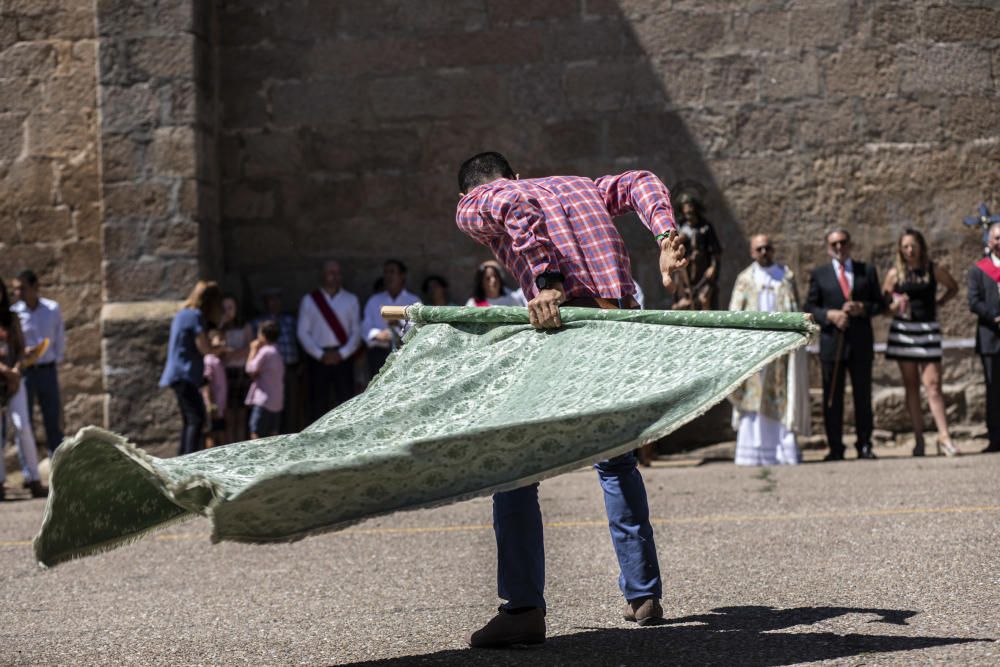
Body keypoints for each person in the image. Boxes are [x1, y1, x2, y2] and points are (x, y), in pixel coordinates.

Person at [454, 151, 686, 648]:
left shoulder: (477, 201)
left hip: (569, 328)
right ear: (516, 169)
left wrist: (546, 279)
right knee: (616, 462)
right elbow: (641, 180)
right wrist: (666, 236)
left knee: (514, 471)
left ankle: (522, 608)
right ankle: (644, 594)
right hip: (615, 324)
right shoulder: (580, 183)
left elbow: (512, 204)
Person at [728, 235, 810, 466]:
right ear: (752, 252)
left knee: (782, 397)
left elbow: (796, 307)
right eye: (759, 249)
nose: (764, 252)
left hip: (781, 348)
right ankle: (752, 453)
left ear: (773, 250)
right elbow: (734, 312)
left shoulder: (785, 276)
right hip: (754, 348)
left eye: (767, 248)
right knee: (753, 398)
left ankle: (782, 451)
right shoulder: (745, 279)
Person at [804, 228, 884, 461]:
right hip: (832, 344)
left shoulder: (866, 271)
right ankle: (835, 447)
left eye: (843, 242)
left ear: (850, 244)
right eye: (834, 243)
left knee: (863, 397)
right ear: (829, 247)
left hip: (860, 343)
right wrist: (830, 315)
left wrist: (862, 308)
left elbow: (878, 304)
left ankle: (865, 444)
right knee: (832, 398)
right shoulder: (820, 274)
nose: (839, 247)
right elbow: (810, 307)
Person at [882, 229, 960, 456]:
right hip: (904, 332)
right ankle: (919, 439)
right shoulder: (894, 274)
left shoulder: (933, 269)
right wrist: (894, 307)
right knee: (911, 386)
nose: (910, 250)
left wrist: (940, 303)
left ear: (921, 247)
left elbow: (953, 287)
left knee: (933, 384)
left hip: (927, 331)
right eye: (905, 246)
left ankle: (944, 436)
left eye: (913, 245)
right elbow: (884, 307)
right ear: (900, 249)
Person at [159, 281, 224, 456]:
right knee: (197, 419)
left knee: (191, 420)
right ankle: (188, 460)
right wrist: (219, 348)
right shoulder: (194, 316)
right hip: (184, 375)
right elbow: (204, 348)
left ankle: (182, 459)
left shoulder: (183, 314)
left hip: (180, 374)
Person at [297, 260, 362, 423]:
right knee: (317, 402)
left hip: (344, 358)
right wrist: (320, 354)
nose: (334, 276)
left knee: (346, 400)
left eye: (337, 272)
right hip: (318, 358)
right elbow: (302, 332)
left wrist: (342, 353)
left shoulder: (351, 299)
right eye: (330, 272)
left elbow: (357, 331)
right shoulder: (309, 300)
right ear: (322, 275)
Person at [0, 277, 46, 500]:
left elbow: (18, 347)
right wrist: (6, 372)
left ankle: (34, 479)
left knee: (23, 427)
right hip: (3, 378)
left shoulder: (12, 318)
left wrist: (16, 370)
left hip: (16, 380)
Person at [11, 269, 66, 453]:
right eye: (16, 289)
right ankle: (30, 472)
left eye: (22, 288)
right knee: (25, 424)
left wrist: (55, 360)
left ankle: (57, 469)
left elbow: (59, 337)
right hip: (25, 372)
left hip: (47, 371)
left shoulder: (52, 309)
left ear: (35, 287)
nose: (18, 293)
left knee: (53, 422)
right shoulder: (14, 313)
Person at [968, 221, 1000, 453]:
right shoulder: (978, 270)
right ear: (989, 241)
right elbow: (974, 301)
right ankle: (996, 438)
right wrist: (995, 317)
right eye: (997, 238)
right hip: (991, 337)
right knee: (993, 389)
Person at [252, 288, 301, 433]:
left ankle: (290, 435)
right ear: (265, 303)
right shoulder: (259, 323)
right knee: (270, 407)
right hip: (269, 372)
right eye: (270, 299)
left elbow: (299, 341)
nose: (274, 303)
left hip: (289, 367)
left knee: (290, 405)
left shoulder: (290, 321)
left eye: (277, 299)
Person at [361, 260, 420, 376]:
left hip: (405, 352)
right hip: (379, 353)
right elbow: (365, 326)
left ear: (402, 275)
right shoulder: (374, 300)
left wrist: (398, 326)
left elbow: (419, 327)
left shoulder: (413, 301)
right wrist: (377, 334)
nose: (388, 276)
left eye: (392, 272)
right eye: (386, 272)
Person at [673, 184, 722, 310]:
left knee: (704, 299)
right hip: (685, 270)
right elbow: (673, 248)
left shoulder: (705, 227)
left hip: (702, 269)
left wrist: (713, 267)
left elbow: (715, 251)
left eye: (690, 205)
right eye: (685, 206)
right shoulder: (680, 227)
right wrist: (679, 239)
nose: (688, 210)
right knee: (684, 302)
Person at [220, 295, 253, 444]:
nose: (228, 312)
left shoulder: (244, 326)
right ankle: (229, 444)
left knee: (241, 413)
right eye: (224, 308)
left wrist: (232, 353)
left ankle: (240, 442)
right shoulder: (219, 328)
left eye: (230, 308)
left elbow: (249, 348)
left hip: (241, 371)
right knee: (228, 414)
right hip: (226, 373)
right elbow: (219, 350)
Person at [245, 321, 285, 440]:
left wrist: (252, 349)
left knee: (255, 432)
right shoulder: (276, 351)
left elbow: (250, 368)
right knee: (273, 435)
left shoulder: (265, 351)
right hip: (276, 402)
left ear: (262, 335)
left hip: (264, 401)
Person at [201, 330, 227, 448]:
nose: (223, 342)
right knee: (211, 434)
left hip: (219, 406)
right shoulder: (209, 359)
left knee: (220, 432)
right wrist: (211, 405)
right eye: (220, 339)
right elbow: (207, 383)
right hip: (213, 406)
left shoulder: (218, 359)